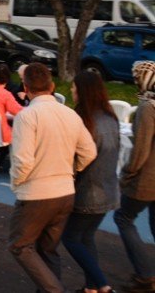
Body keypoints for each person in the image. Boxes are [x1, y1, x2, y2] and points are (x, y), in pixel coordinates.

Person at [8, 63, 96, 293]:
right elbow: (89, 151)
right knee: (48, 249)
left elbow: (23, 160)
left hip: (37, 192)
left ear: (26, 88)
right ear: (52, 86)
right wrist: (71, 170)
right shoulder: (70, 114)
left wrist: (17, 183)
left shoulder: (27, 116)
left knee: (20, 245)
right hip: (65, 191)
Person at [61, 70, 120, 293]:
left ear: (83, 91)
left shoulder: (84, 121)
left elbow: (78, 156)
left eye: (75, 88)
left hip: (88, 190)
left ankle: (103, 285)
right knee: (86, 238)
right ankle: (91, 288)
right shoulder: (110, 117)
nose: (72, 91)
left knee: (71, 238)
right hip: (109, 189)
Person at [116, 60, 155, 293]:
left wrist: (127, 174)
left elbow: (140, 150)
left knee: (123, 218)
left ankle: (145, 275)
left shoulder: (147, 107)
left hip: (146, 179)